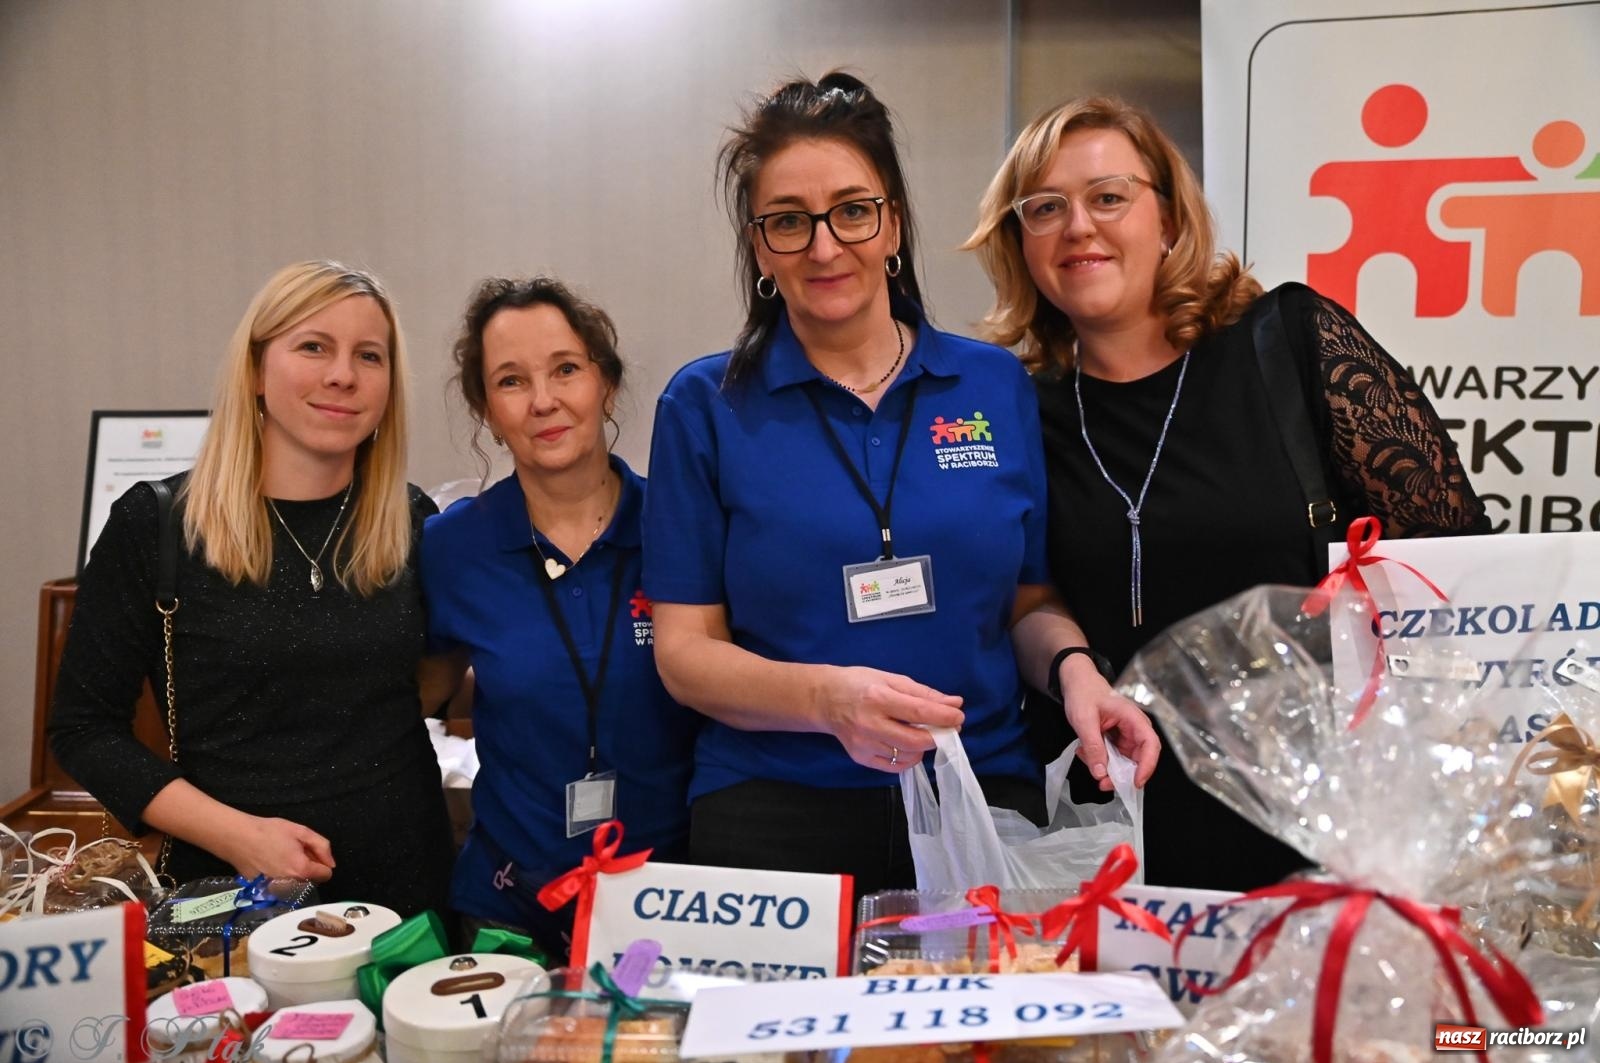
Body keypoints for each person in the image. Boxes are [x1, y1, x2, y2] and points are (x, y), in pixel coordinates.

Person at [643, 73, 1160, 896]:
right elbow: (684, 653)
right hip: (776, 807)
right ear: (758, 244)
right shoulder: (706, 406)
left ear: (892, 224)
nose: (823, 246)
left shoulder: (993, 386)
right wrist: (826, 699)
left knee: (985, 1032)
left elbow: (1027, 604)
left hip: (980, 786)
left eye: (852, 210)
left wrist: (1077, 673)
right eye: (788, 221)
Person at [965, 96, 1491, 891]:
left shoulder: (1289, 345)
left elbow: (1454, 555)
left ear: (1169, 219)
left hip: (1317, 825)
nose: (1078, 226)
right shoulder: (1014, 406)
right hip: (1113, 825)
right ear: (1021, 242)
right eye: (1045, 208)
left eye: (1109, 196)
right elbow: (1019, 599)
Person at [50, 261, 453, 914]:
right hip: (235, 895)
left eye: (368, 355)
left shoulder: (411, 521)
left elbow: (425, 683)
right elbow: (83, 729)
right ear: (256, 369)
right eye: (314, 346)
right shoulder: (154, 526)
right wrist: (238, 835)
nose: (342, 374)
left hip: (409, 890)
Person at [420, 277, 696, 958]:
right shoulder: (453, 547)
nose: (543, 400)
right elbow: (412, 699)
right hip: (508, 905)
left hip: (672, 899)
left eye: (566, 369)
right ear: (487, 408)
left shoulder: (682, 525)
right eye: (511, 381)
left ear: (604, 380)